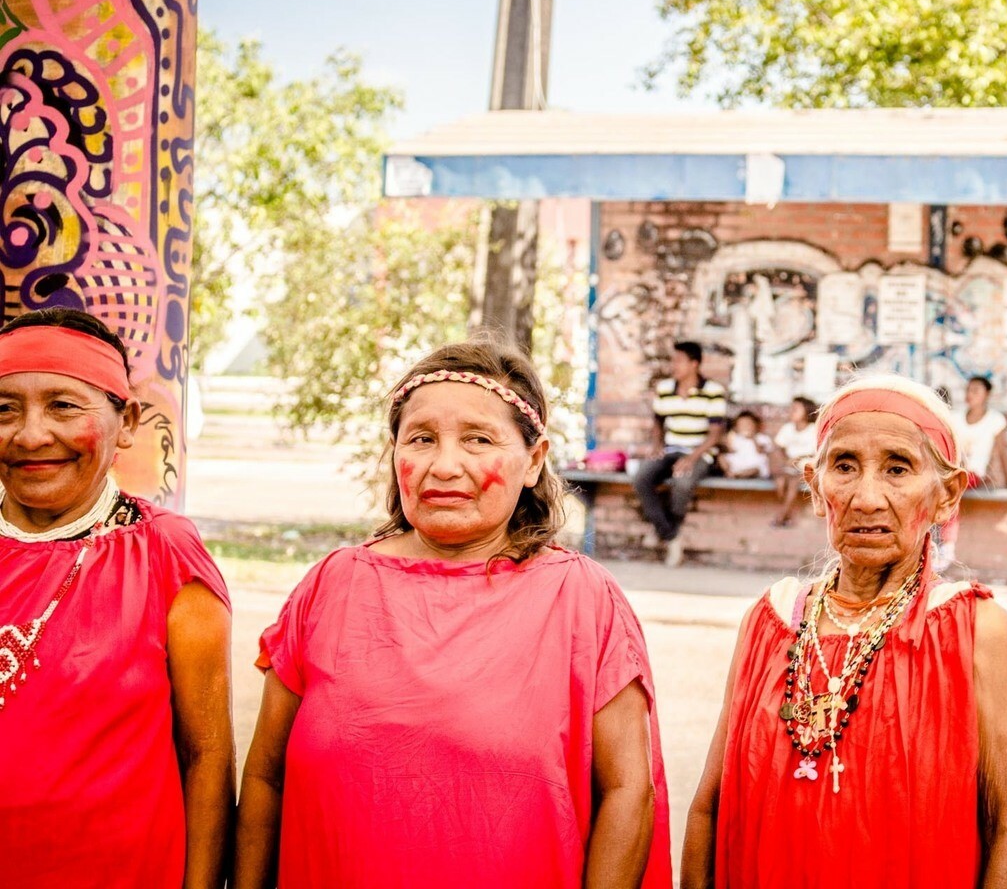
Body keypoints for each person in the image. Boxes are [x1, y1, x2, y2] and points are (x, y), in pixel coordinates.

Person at [235, 338, 670, 889]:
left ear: (533, 461)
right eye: (421, 438)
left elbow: (629, 792)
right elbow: (265, 778)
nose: (444, 465)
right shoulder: (332, 586)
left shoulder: (581, 600)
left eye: (478, 439)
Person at [682, 374, 1007, 888]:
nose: (867, 497)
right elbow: (708, 811)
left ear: (947, 495)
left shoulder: (976, 629)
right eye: (844, 466)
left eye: (898, 468)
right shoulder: (770, 620)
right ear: (815, 488)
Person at [0, 309, 234, 889]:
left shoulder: (164, 554)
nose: (31, 435)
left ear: (125, 420)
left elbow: (207, 757)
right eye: (4, 408)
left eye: (63, 406)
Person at [634, 340, 728, 567]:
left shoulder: (713, 391)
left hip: (701, 452)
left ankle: (667, 532)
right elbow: (658, 421)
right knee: (641, 477)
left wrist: (690, 458)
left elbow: (715, 435)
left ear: (694, 364)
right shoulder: (666, 389)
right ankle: (671, 535)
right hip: (671, 449)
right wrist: (657, 444)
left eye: (678, 361)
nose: (673, 366)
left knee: (683, 482)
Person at [940, 375, 1007, 567]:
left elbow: (1002, 452)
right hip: (954, 471)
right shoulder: (956, 418)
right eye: (968, 390)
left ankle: (947, 546)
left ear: (986, 394)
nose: (970, 394)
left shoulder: (995, 420)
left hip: (974, 475)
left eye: (975, 390)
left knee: (953, 487)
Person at [769, 395, 818, 527]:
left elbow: (817, 452)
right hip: (789, 466)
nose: (791, 411)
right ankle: (787, 515)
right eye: (791, 408)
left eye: (796, 409)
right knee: (780, 481)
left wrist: (797, 459)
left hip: (806, 466)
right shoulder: (788, 428)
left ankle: (781, 516)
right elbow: (778, 447)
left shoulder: (813, 429)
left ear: (807, 411)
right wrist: (785, 460)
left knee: (793, 481)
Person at [719, 410, 772, 479]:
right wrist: (728, 441)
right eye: (742, 425)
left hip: (754, 465)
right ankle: (729, 472)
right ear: (736, 428)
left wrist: (753, 438)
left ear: (756, 425)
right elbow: (731, 450)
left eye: (748, 425)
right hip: (738, 464)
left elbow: (761, 450)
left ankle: (739, 475)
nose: (745, 427)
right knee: (721, 457)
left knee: (754, 470)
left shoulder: (761, 437)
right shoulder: (736, 438)